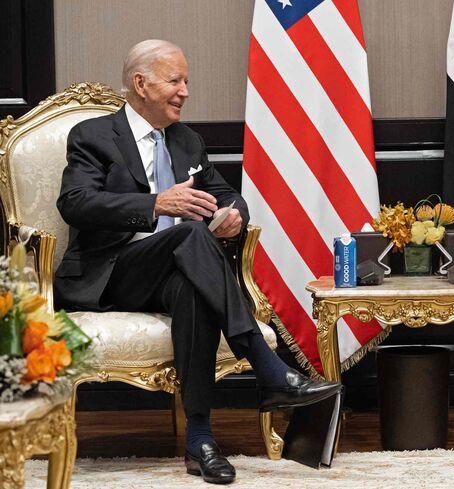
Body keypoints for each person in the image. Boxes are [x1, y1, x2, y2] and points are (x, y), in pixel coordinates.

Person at [55, 39, 341, 485]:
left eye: (186, 81)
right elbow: (75, 202)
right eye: (175, 81)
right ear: (141, 84)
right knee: (189, 234)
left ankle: (201, 441)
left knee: (192, 286)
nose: (185, 91)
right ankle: (266, 366)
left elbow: (227, 195)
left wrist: (233, 217)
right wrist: (154, 204)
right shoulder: (93, 135)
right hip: (111, 273)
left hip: (173, 270)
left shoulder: (187, 141)